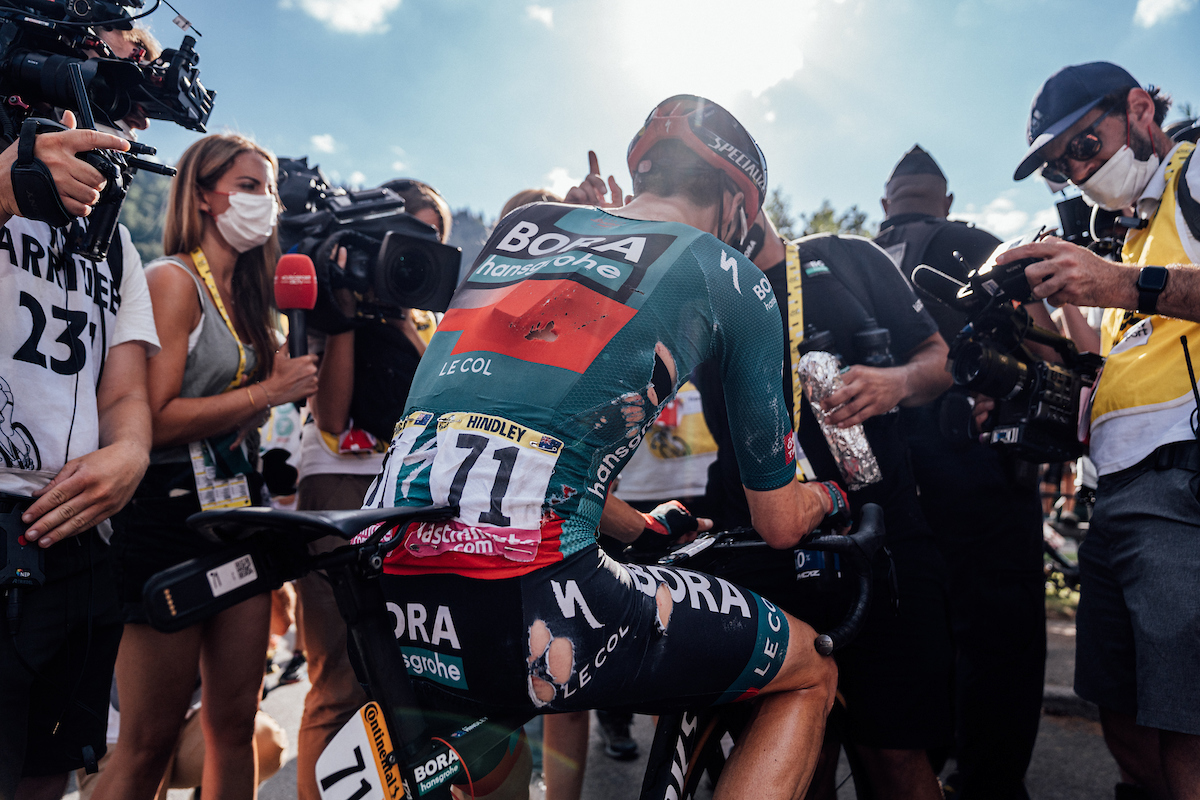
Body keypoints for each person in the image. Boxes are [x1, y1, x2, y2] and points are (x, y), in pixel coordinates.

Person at [365, 95, 844, 800]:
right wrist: (832, 493)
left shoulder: (523, 226)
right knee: (811, 671)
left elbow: (526, 446)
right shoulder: (731, 272)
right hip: (530, 595)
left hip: (387, 577)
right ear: (737, 205)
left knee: (498, 766)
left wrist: (643, 528)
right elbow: (777, 519)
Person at [91, 134, 318, 800]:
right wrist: (265, 394)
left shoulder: (254, 304)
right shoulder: (172, 280)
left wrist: (268, 397)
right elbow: (151, 419)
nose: (264, 203)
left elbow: (232, 416)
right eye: (249, 186)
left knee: (235, 724)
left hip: (238, 515)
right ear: (201, 194)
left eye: (269, 190)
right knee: (147, 745)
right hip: (163, 520)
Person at [699, 210, 955, 800]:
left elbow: (939, 358)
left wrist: (896, 382)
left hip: (879, 541)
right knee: (796, 768)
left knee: (895, 758)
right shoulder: (699, 288)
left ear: (744, 193)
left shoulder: (844, 256)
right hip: (766, 552)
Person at [1006, 62, 1200, 800]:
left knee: (1186, 726)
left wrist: (1116, 282)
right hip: (1114, 501)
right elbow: (1109, 366)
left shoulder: (1193, 169)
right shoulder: (1130, 235)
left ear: (1140, 109)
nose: (1079, 171)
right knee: (1121, 717)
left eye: (1085, 145)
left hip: (1181, 489)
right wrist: (1043, 313)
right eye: (1062, 167)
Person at [873, 145, 1045, 800]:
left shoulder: (851, 258)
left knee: (910, 624)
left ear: (887, 202)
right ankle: (988, 784)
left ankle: (914, 770)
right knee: (999, 633)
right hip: (980, 466)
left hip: (880, 479)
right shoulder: (974, 241)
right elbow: (1042, 335)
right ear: (944, 201)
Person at [0, 112, 156, 800]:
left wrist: (131, 451)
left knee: (46, 774)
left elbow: (123, 391)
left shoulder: (113, 234)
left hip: (76, 534)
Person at [293, 178, 450, 800]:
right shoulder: (333, 301)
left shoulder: (423, 314)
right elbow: (330, 418)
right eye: (412, 234)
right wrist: (349, 311)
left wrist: (405, 315)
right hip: (339, 496)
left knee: (414, 679)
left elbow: (441, 402)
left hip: (415, 500)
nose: (420, 250)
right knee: (337, 686)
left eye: (433, 239)